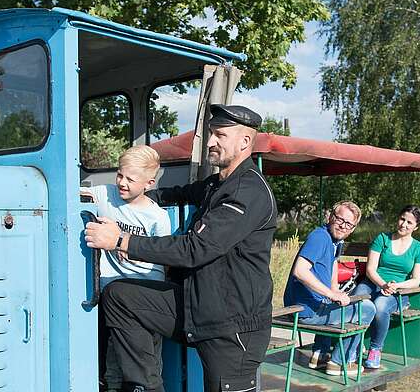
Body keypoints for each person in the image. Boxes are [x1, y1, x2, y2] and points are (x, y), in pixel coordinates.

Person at [85, 104, 277, 392]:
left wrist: (121, 241)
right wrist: (140, 197)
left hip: (232, 325)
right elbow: (179, 193)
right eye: (211, 133)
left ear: (245, 142)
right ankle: (146, 387)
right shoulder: (218, 185)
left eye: (220, 136)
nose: (211, 142)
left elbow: (194, 249)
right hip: (198, 304)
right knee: (120, 296)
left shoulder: (247, 191)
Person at [81, 145, 172, 391]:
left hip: (144, 298)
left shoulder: (158, 217)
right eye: (119, 175)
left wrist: (125, 246)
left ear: (149, 183)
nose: (122, 182)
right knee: (113, 362)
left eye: (130, 179)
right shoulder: (104, 195)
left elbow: (163, 258)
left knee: (147, 362)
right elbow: (74, 192)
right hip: (112, 300)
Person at [283, 201, 375, 376]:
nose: (342, 226)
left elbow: (333, 261)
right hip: (305, 311)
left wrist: (335, 289)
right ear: (331, 217)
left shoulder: (335, 240)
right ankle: (340, 362)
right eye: (340, 219)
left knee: (338, 304)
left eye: (348, 224)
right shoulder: (319, 237)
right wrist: (331, 293)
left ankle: (320, 354)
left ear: (353, 228)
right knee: (367, 309)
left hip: (314, 307)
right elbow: (300, 271)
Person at [352, 205, 420, 369]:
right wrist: (382, 284)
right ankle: (352, 346)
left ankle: (375, 349)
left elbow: (415, 280)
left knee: (380, 306)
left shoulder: (419, 248)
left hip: (398, 291)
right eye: (402, 219)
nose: (404, 225)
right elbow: (371, 269)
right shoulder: (383, 239)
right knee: (357, 300)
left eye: (409, 223)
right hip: (373, 283)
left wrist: (395, 286)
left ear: (416, 227)